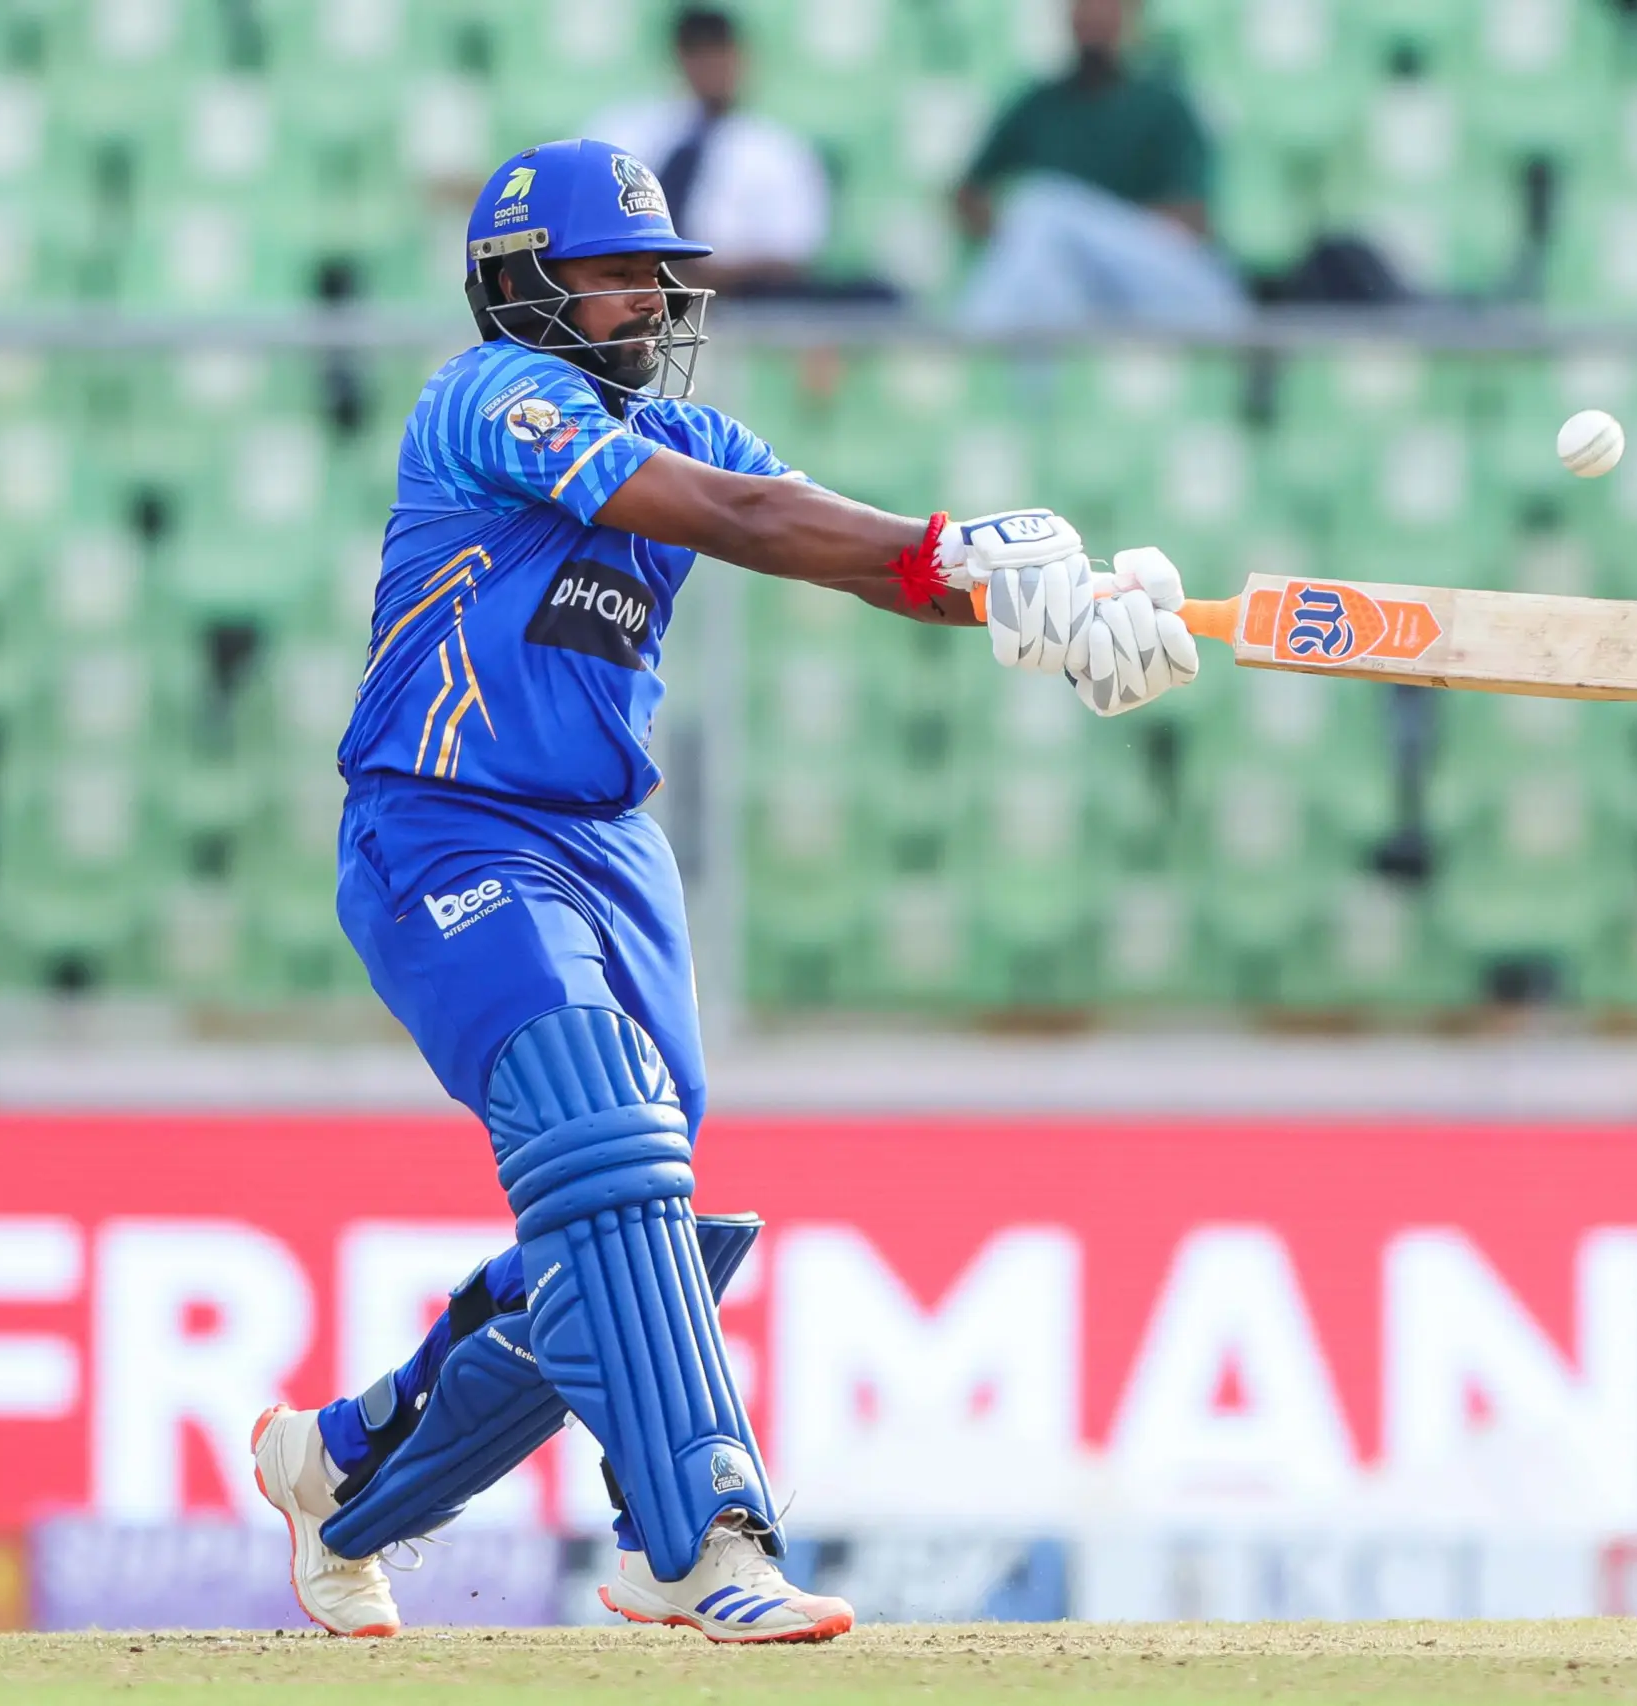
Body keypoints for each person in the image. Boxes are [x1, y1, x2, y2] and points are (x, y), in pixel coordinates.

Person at [246, 137, 1200, 1643]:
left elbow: (851, 552)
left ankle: (340, 1471)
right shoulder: (493, 396)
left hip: (610, 849)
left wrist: (1054, 602)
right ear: (522, 285)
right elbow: (743, 522)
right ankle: (699, 1535)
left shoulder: (689, 426)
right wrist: (948, 547)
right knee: (605, 1146)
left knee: (621, 1227)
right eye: (613, 272)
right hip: (446, 826)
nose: (648, 297)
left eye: (658, 272)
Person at [953, 0, 1246, 333]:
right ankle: (981, 355)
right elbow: (967, 194)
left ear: (1132, 17)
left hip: (1171, 285)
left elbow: (1190, 221)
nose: (1094, 17)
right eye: (1085, 7)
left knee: (1042, 207)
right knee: (1044, 268)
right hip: (1082, 289)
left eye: (1107, 7)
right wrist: (1017, 233)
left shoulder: (1165, 102)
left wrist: (1088, 227)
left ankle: (967, 344)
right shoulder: (1039, 104)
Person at [587, 7, 833, 298]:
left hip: (738, 305)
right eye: (700, 55)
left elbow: (793, 257)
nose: (712, 69)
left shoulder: (778, 152)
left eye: (720, 56)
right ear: (679, 58)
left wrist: (698, 275)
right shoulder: (623, 134)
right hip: (625, 294)